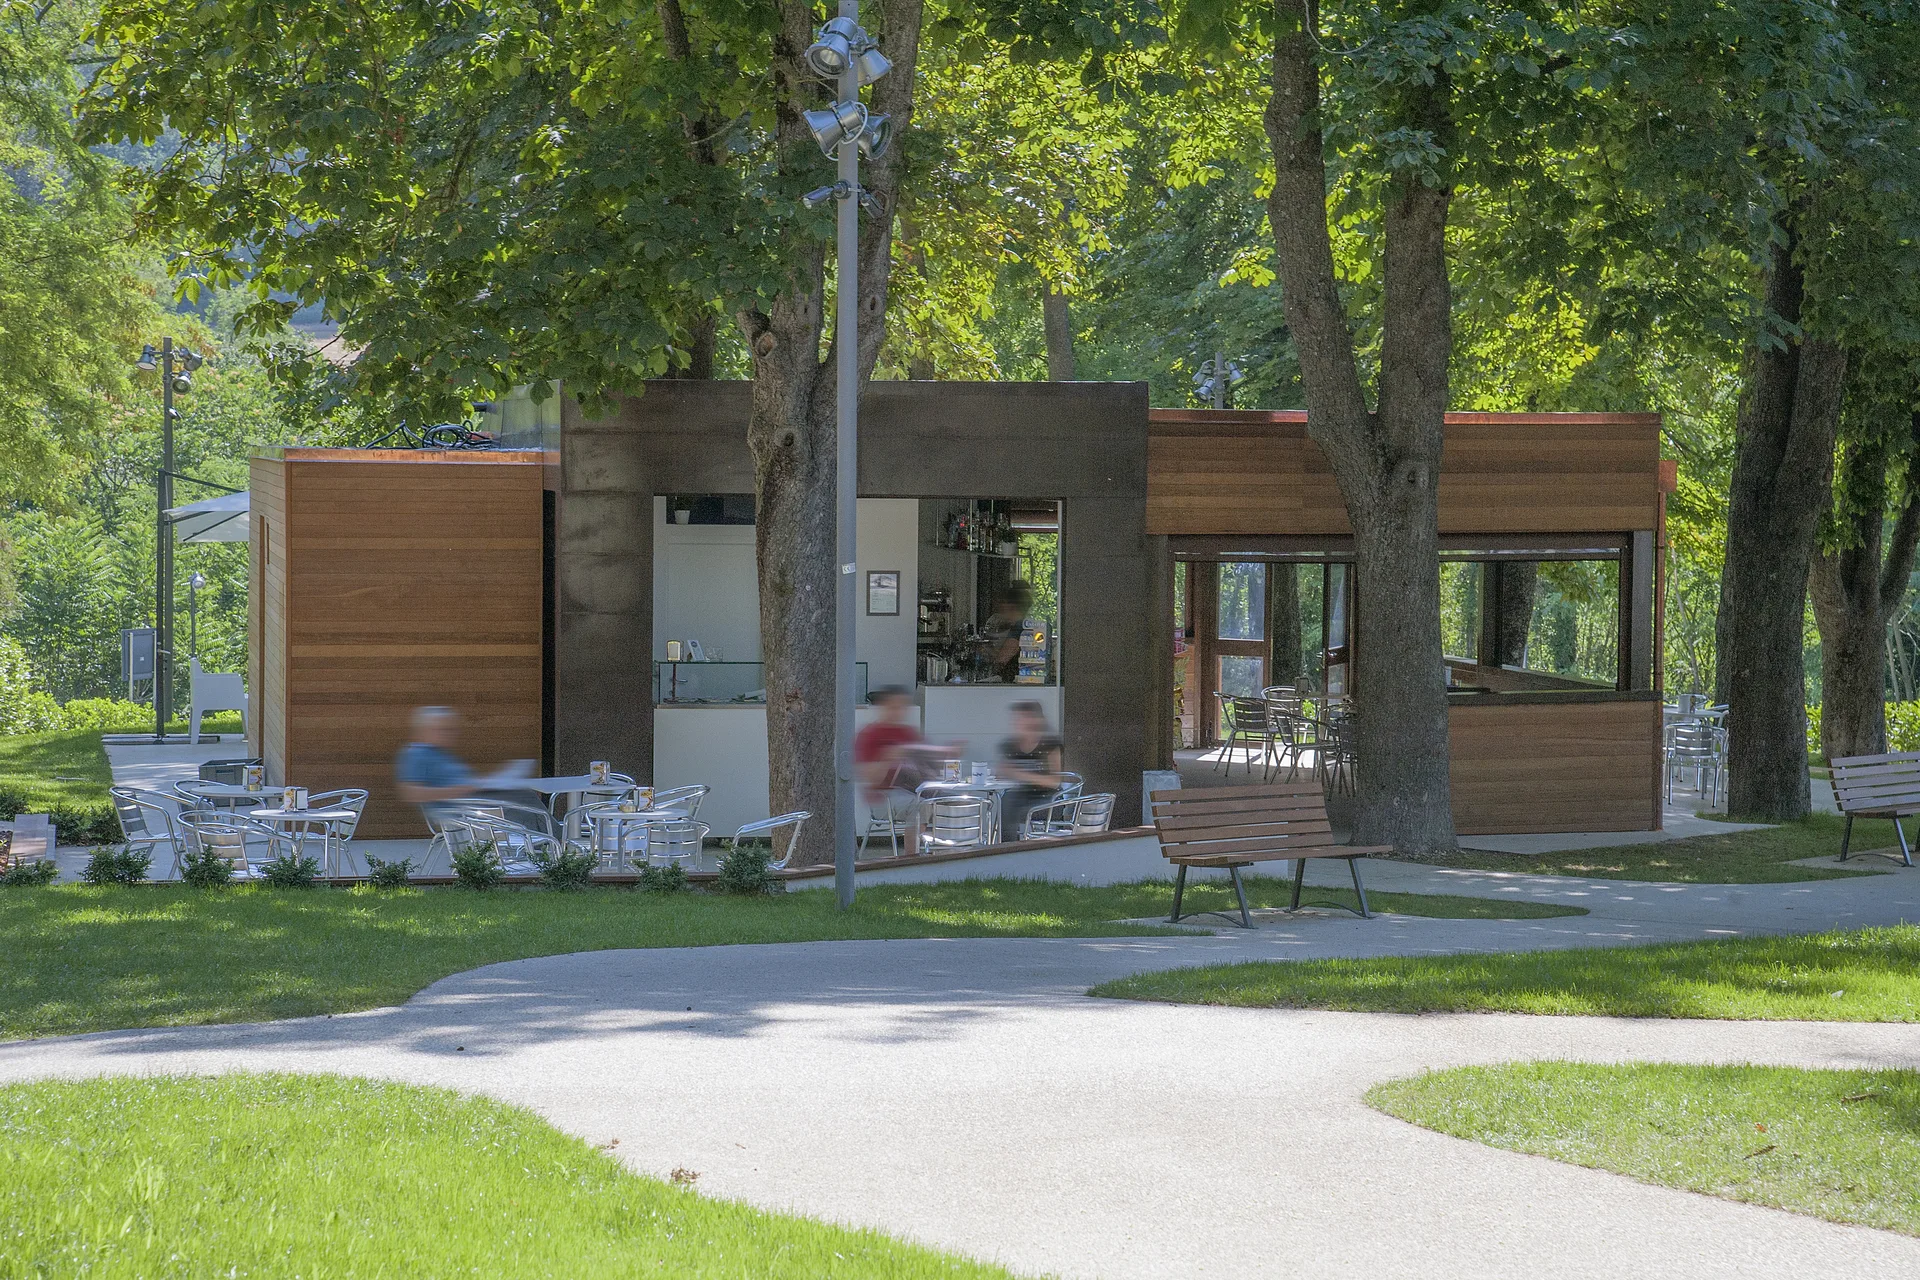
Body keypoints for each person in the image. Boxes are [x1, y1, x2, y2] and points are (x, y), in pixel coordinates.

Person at [854, 688, 948, 854]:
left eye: (902, 707)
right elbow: (868, 777)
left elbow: (929, 761)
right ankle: (912, 858)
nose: (899, 711)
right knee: (920, 805)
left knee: (957, 799)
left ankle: (962, 852)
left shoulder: (907, 732)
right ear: (882, 708)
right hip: (884, 796)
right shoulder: (870, 734)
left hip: (914, 789)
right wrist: (887, 758)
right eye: (894, 707)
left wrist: (946, 754)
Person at [997, 700, 1065, 836]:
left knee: (1009, 804)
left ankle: (1010, 844)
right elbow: (1003, 772)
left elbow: (1054, 782)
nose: (1018, 722)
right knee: (1005, 800)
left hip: (1048, 798)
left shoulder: (1050, 744)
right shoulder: (1010, 745)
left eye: (1022, 718)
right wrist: (1001, 773)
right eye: (1016, 719)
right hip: (1021, 795)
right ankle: (1006, 842)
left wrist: (1019, 774)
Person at [394, 706, 478, 805]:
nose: (450, 734)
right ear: (425, 731)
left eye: (452, 730)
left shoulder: (445, 754)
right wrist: (457, 791)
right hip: (453, 812)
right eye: (443, 730)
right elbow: (411, 793)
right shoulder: (417, 754)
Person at [979, 583, 1031, 683]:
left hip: (1013, 683)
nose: (1001, 606)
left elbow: (1002, 659)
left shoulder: (1019, 628)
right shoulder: (1017, 627)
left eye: (1004, 602)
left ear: (1012, 606)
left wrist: (986, 652)